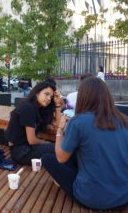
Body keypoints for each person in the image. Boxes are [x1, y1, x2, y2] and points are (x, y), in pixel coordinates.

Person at [42, 77, 128, 210]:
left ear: (83, 97)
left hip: (92, 198)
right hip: (123, 197)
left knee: (47, 158)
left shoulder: (78, 122)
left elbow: (61, 157)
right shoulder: (123, 120)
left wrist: (60, 129)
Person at [5, 82, 62, 165]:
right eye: (46, 94)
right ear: (37, 93)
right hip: (21, 152)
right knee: (60, 148)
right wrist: (46, 143)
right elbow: (32, 140)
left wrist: (57, 104)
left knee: (59, 149)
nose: (49, 98)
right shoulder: (28, 107)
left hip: (26, 148)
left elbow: (57, 124)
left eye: (51, 96)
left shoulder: (39, 108)